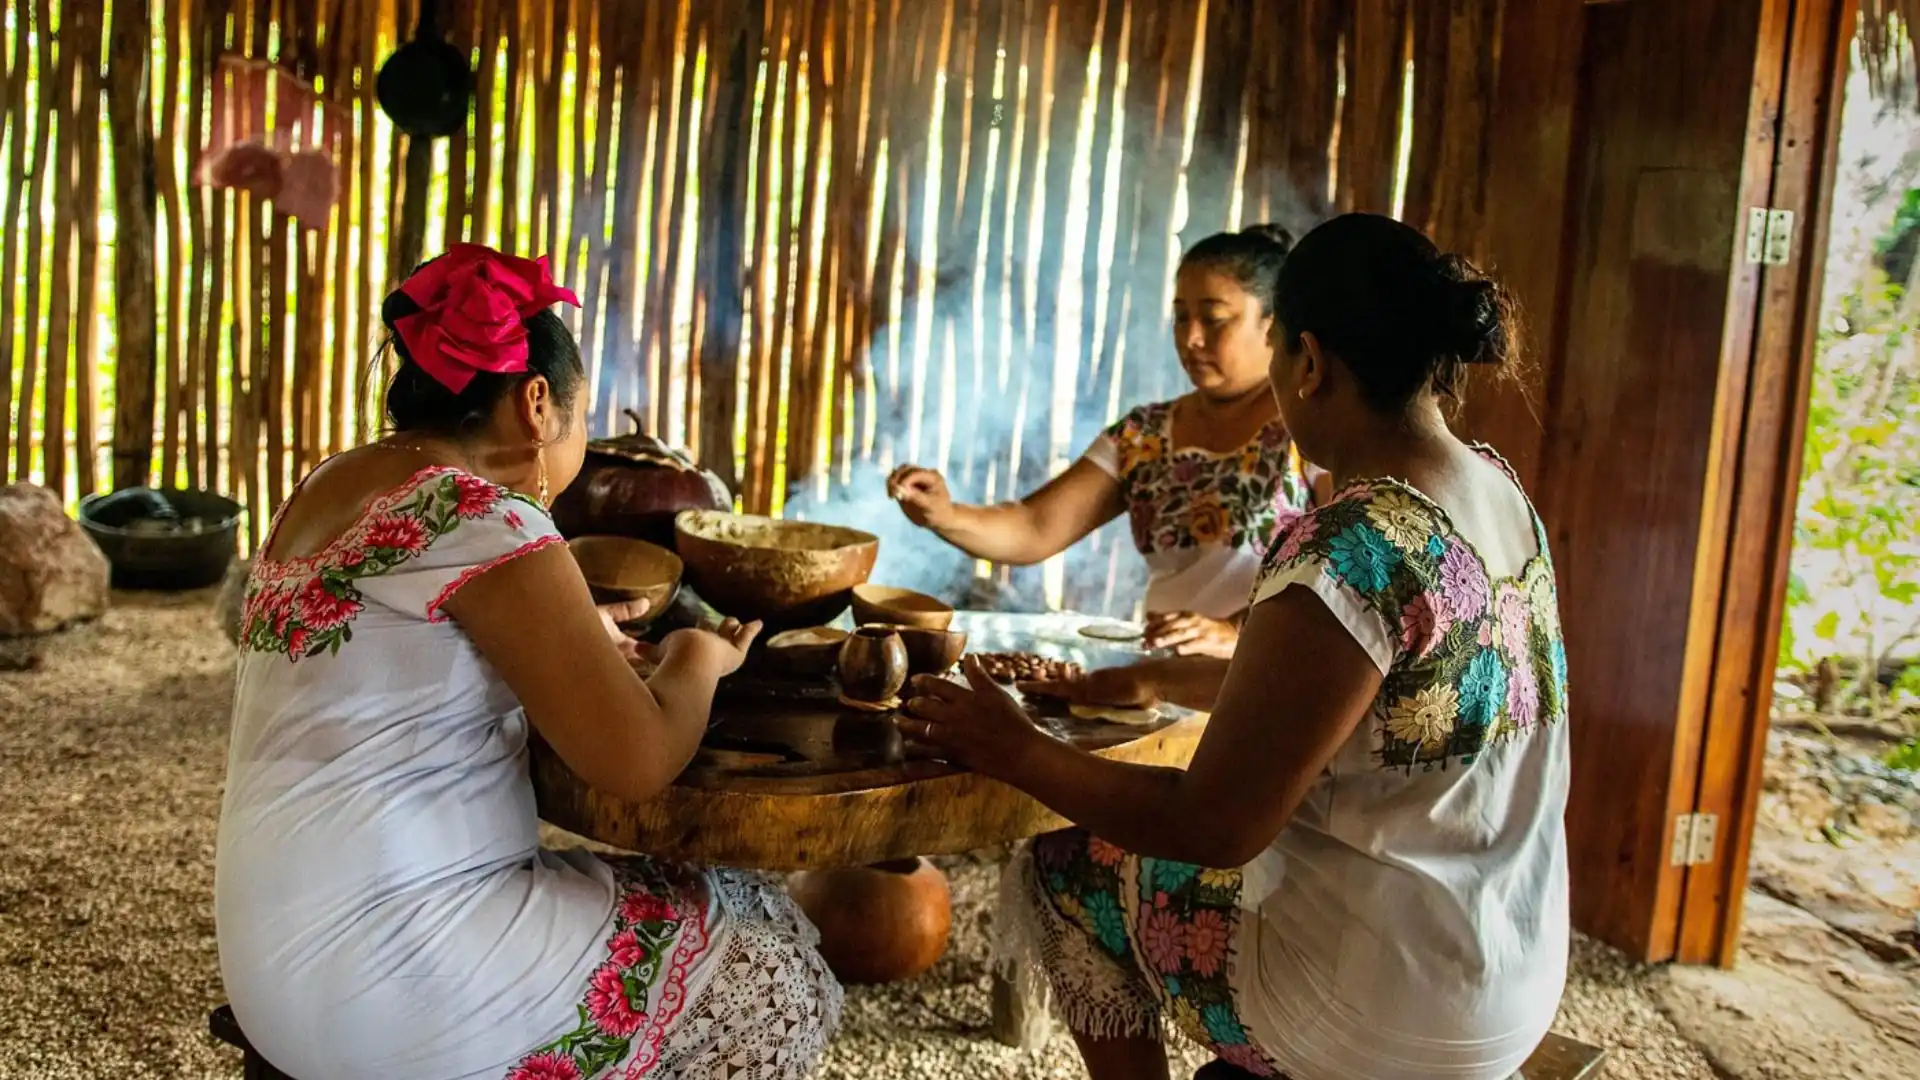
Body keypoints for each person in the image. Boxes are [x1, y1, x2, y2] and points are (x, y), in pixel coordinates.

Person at [896, 214, 1570, 1080]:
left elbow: (1212, 827)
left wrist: (1013, 748)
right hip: (1509, 976)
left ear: (1308, 360)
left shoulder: (1348, 545)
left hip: (1382, 1010)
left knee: (1061, 867)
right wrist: (1133, 678)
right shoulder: (1499, 494)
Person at [215, 245, 841, 1080]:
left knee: (736, 908)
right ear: (537, 403)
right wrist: (695, 657)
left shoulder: (339, 480)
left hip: (279, 958)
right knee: (772, 970)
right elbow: (637, 761)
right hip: (389, 968)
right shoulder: (483, 512)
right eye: (585, 417)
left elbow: (411, 659)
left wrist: (573, 636)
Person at [889, 225, 1320, 658]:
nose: (1191, 337)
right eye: (1181, 316)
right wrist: (943, 514)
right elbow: (1034, 526)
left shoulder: (1310, 431)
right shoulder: (1146, 436)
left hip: (1265, 682)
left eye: (1214, 318)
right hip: (1164, 680)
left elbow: (1343, 564)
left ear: (1272, 325)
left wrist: (1236, 631)